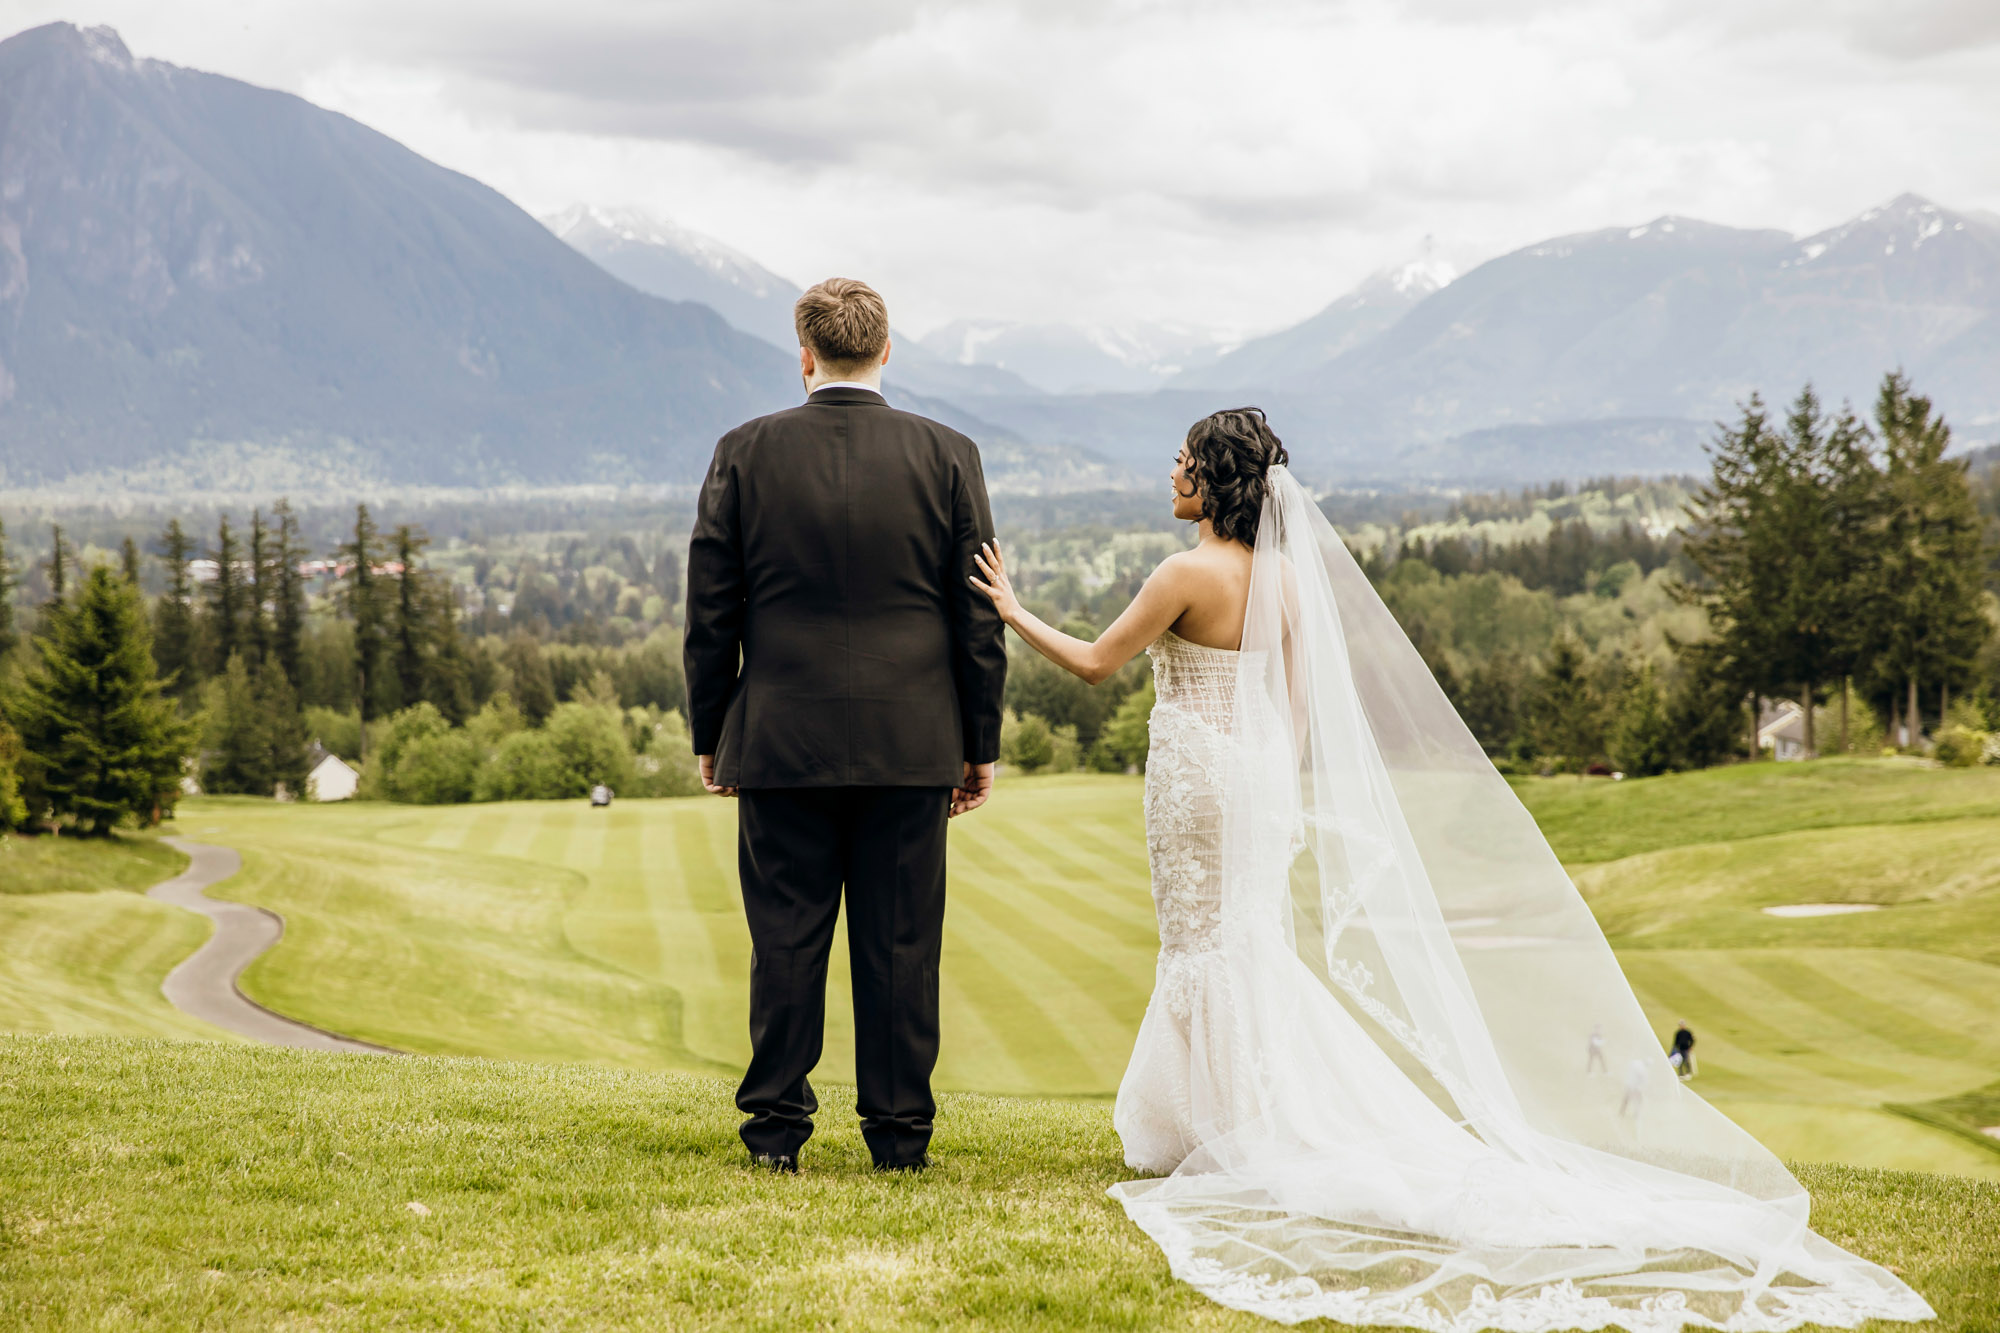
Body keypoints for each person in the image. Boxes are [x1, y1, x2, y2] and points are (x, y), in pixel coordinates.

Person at [968, 407, 1929, 1330]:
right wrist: (1266, 779)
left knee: (1203, 940)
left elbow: (1097, 664)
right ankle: (1231, 1115)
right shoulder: (1289, 583)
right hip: (1255, 779)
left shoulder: (1184, 573)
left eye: (1183, 460)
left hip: (1194, 779)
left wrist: (1010, 609)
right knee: (1243, 937)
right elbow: (1299, 714)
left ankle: (1222, 1126)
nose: (1171, 472)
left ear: (1212, 480)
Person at [684, 277, 1007, 1174]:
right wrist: (979, 744)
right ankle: (900, 1138)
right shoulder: (950, 454)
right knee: (904, 943)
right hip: (916, 742)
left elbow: (711, 610)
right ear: (887, 349)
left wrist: (712, 730)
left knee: (784, 937)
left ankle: (775, 1134)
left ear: (805, 355)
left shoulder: (743, 452)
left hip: (780, 738)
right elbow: (977, 614)